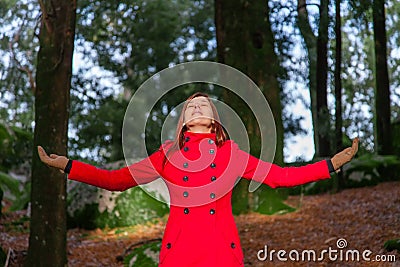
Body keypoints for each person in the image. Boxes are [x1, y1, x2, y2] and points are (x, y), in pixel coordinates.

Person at [37, 92, 359, 266]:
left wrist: (330, 164)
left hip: (222, 252)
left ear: (215, 121)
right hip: (179, 252)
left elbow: (281, 177)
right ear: (182, 120)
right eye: (191, 106)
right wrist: (68, 165)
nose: (197, 107)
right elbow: (116, 180)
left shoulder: (232, 154)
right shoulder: (166, 155)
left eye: (204, 104)